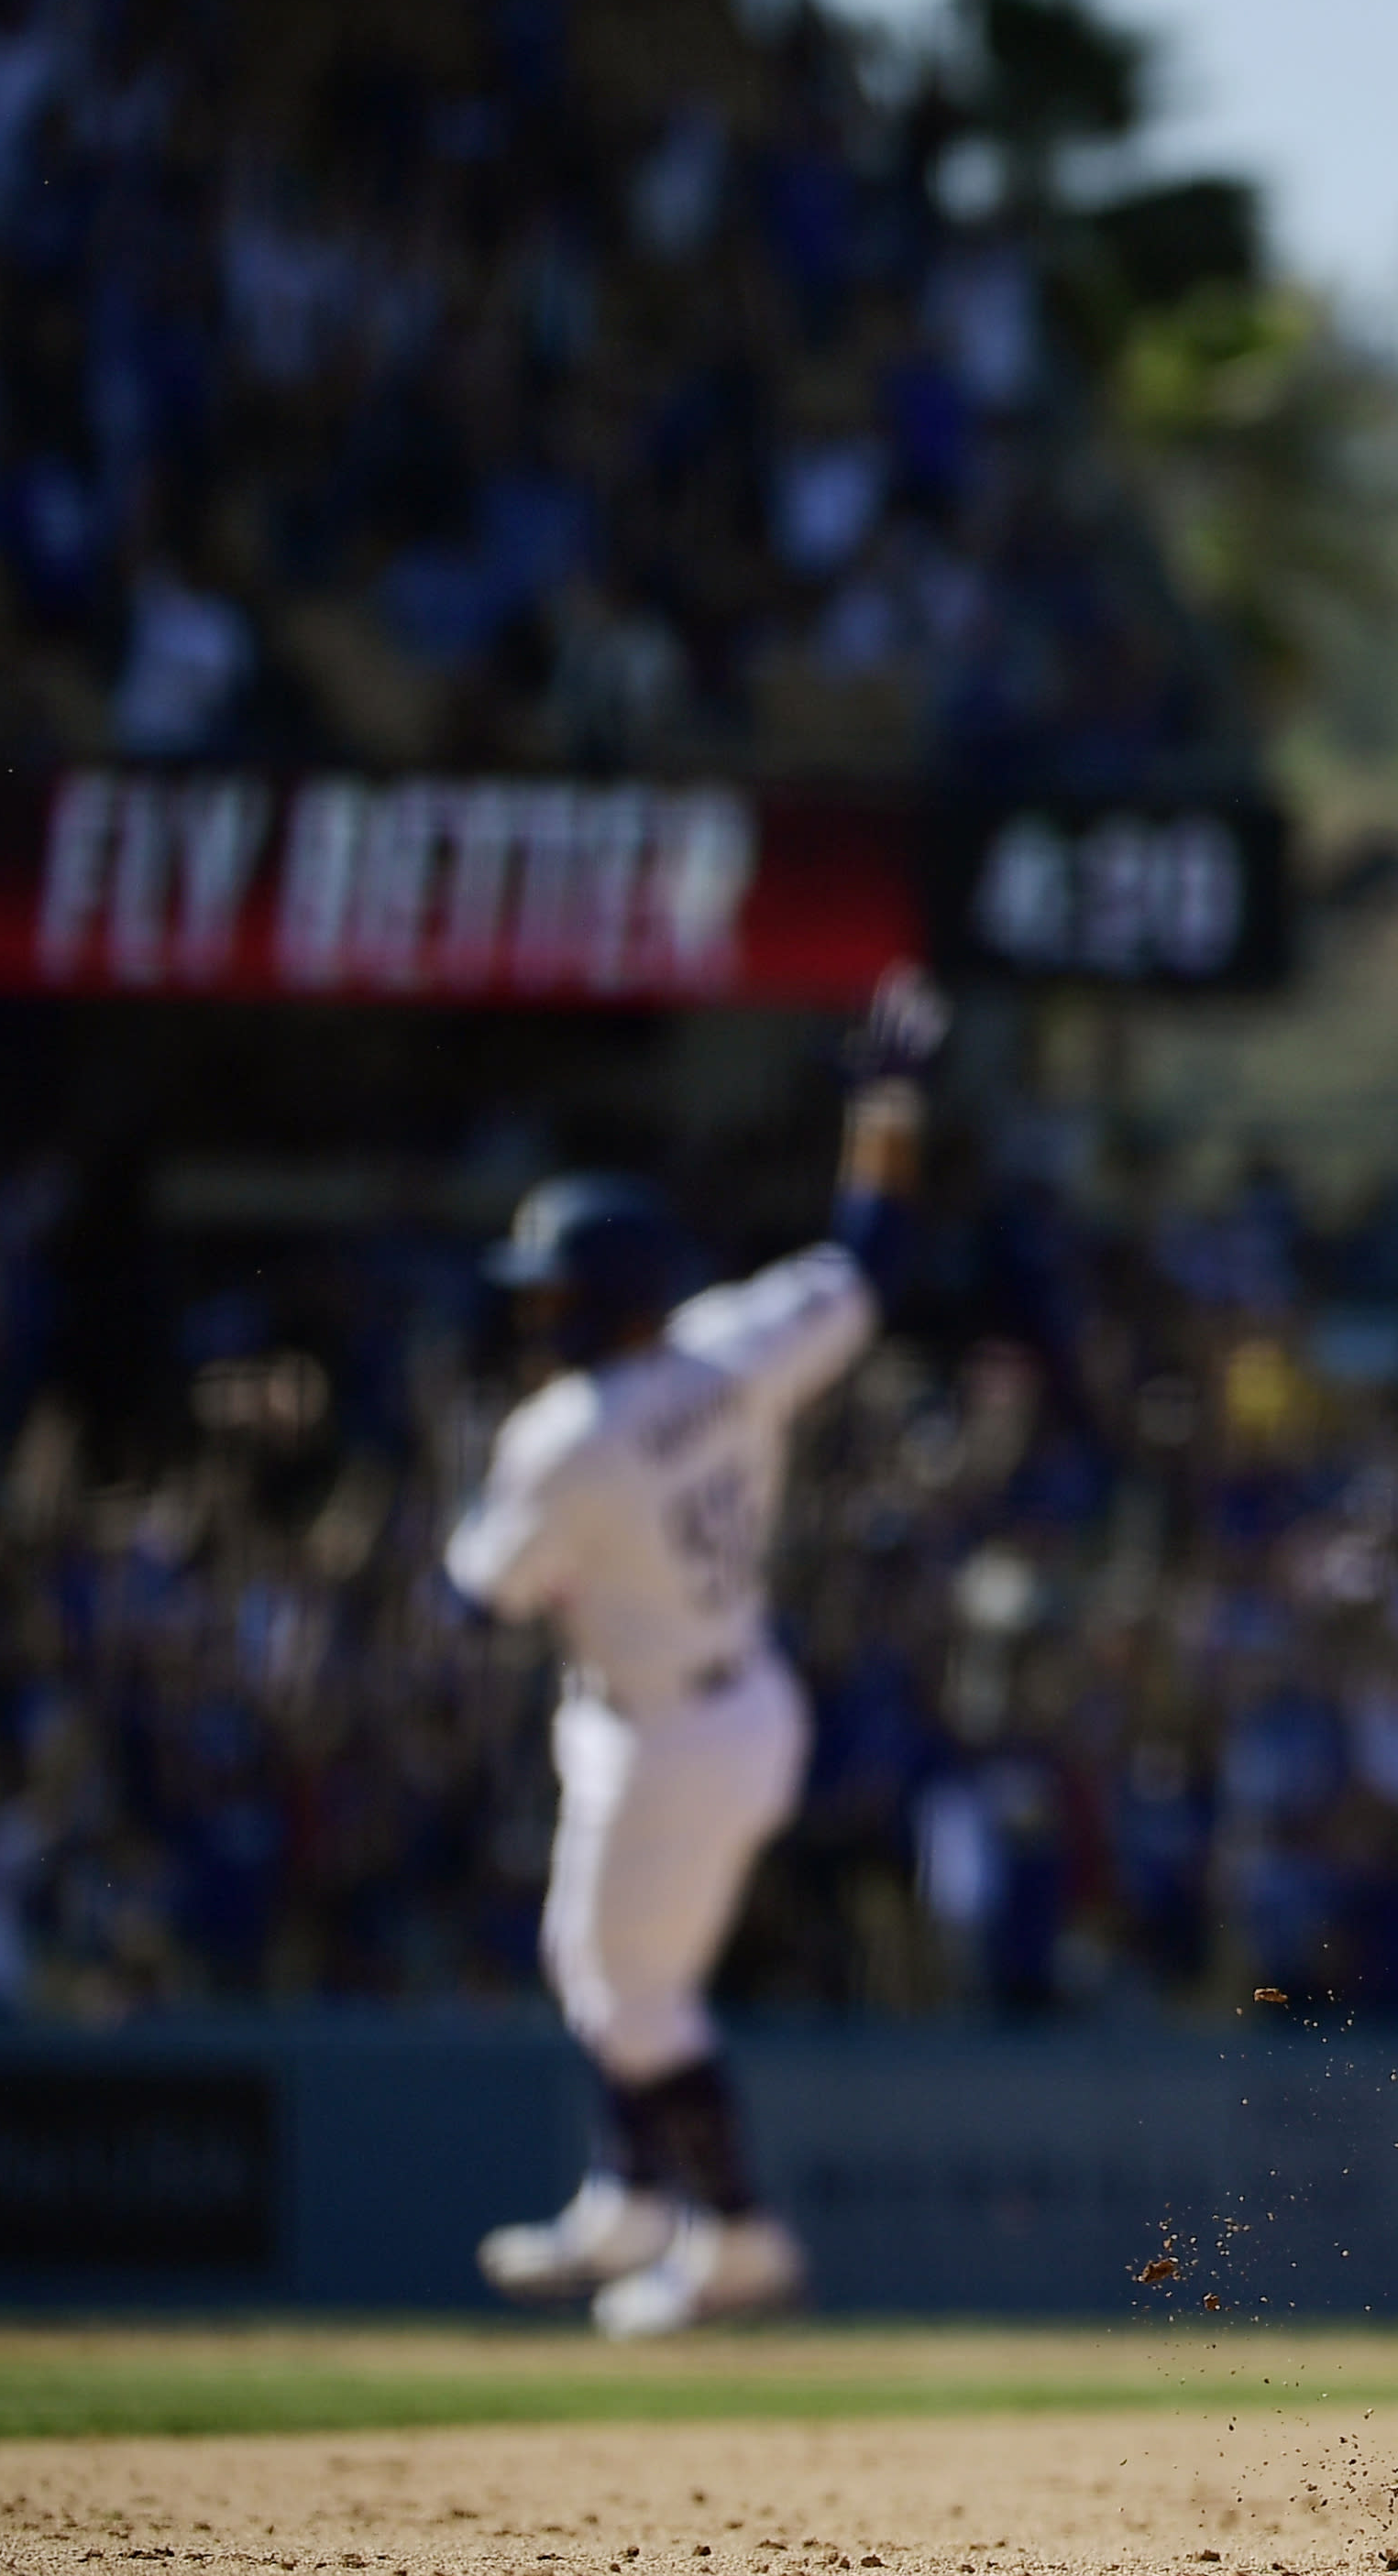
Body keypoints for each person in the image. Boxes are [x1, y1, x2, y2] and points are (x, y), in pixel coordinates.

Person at [448, 967, 939, 2337]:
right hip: (725, 1700)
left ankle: (737, 2237)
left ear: (595, 1301)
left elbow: (477, 1599)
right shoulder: (728, 1348)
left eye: (551, 1295)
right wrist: (887, 1104)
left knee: (636, 1995)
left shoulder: (562, 1441)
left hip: (668, 1726)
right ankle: (632, 2195)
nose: (534, 1314)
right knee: (592, 1963)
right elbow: (872, 1255)